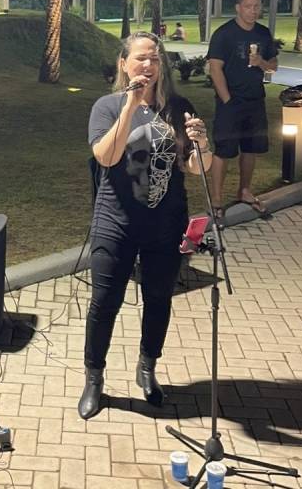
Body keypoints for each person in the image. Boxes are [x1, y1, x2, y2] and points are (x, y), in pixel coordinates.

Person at [79, 31, 212, 420]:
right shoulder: (106, 106)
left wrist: (202, 145)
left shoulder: (178, 107)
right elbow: (106, 156)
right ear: (124, 64)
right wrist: (130, 105)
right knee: (104, 305)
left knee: (158, 300)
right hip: (115, 221)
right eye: (140, 58)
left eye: (154, 59)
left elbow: (193, 167)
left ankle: (147, 368)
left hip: (165, 223)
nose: (148, 65)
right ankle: (94, 378)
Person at [206, 0, 278, 220]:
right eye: (248, 6)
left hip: (255, 100)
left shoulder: (263, 34)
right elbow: (215, 68)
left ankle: (245, 191)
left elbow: (273, 66)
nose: (253, 11)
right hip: (231, 102)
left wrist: (261, 62)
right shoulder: (224, 34)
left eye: (257, 6)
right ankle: (216, 200)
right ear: (238, 7)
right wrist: (226, 99)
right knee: (224, 150)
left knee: (251, 148)